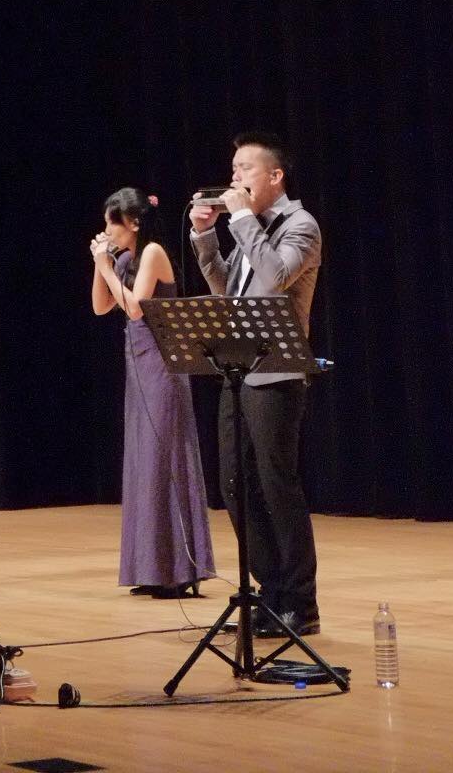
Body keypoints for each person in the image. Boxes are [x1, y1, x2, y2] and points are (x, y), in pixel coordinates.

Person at [190, 136, 322, 638]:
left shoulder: (300, 225)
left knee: (275, 484)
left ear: (274, 176)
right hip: (239, 370)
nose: (235, 176)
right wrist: (205, 236)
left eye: (245, 167)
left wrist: (242, 219)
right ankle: (270, 592)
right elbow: (227, 291)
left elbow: (272, 281)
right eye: (233, 167)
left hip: (278, 374)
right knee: (234, 484)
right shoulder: (253, 229)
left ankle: (301, 603)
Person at [91, 186, 215, 599]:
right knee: (144, 462)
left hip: (163, 366)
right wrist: (101, 266)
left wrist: (107, 267)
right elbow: (101, 306)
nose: (108, 231)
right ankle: (151, 567)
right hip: (140, 367)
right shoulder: (126, 258)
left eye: (112, 224)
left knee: (166, 458)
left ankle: (178, 570)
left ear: (133, 223)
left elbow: (135, 308)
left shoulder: (153, 252)